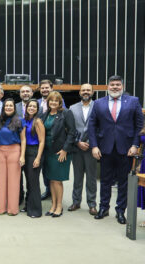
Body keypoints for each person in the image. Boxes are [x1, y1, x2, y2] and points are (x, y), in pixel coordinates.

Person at [88, 75, 143, 224]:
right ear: (108, 87)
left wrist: (135, 145)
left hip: (126, 149)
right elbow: (92, 126)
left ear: (122, 87)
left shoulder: (133, 101)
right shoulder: (98, 103)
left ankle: (120, 211)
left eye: (118, 85)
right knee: (105, 181)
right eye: (112, 85)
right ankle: (103, 208)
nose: (115, 87)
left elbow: (139, 125)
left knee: (123, 182)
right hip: (105, 148)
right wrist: (94, 146)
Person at [40, 91, 76, 218]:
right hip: (48, 151)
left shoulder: (66, 113)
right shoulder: (45, 115)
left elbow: (72, 132)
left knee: (57, 180)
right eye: (51, 100)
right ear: (48, 102)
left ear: (60, 102)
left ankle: (59, 206)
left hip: (60, 152)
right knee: (50, 179)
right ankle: (53, 205)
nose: (53, 103)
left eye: (56, 101)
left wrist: (65, 149)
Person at [68, 84, 98, 215]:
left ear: (92, 92)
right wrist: (77, 142)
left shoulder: (99, 107)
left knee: (91, 177)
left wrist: (91, 143)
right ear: (80, 92)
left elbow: (101, 128)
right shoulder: (72, 108)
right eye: (83, 90)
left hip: (92, 148)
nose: (86, 92)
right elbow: (69, 128)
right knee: (77, 176)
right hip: (77, 147)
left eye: (88, 90)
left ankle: (92, 204)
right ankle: (76, 202)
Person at [0, 98, 26, 216]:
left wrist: (22, 156)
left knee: (14, 181)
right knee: (0, 180)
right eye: (6, 106)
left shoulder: (20, 121)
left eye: (10, 106)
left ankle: (12, 209)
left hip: (14, 150)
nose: (8, 107)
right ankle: (0, 208)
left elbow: (23, 139)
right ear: (3, 108)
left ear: (14, 108)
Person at [37, 79, 66, 200]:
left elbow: (64, 121)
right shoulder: (37, 102)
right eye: (42, 88)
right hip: (40, 141)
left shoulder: (60, 102)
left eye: (47, 88)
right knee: (45, 168)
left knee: (55, 172)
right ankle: (48, 189)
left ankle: (52, 192)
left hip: (55, 143)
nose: (44, 90)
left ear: (51, 88)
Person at [22, 99, 45, 217]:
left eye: (34, 107)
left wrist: (38, 158)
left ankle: (35, 210)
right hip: (26, 152)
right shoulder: (26, 120)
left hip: (35, 152)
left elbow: (42, 141)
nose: (31, 108)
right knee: (29, 182)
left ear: (37, 109)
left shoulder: (38, 121)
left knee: (34, 182)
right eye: (29, 106)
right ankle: (28, 205)